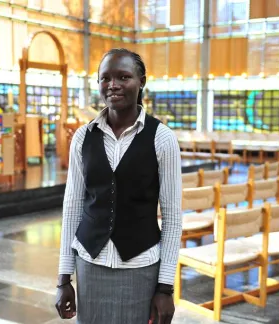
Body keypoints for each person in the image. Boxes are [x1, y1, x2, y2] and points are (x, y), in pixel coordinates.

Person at [55, 48, 183, 324]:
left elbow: (172, 219)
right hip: (89, 265)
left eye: (123, 77)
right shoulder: (82, 137)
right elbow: (72, 207)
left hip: (140, 267)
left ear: (141, 82)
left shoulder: (162, 139)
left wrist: (165, 287)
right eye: (105, 78)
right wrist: (63, 278)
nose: (112, 85)